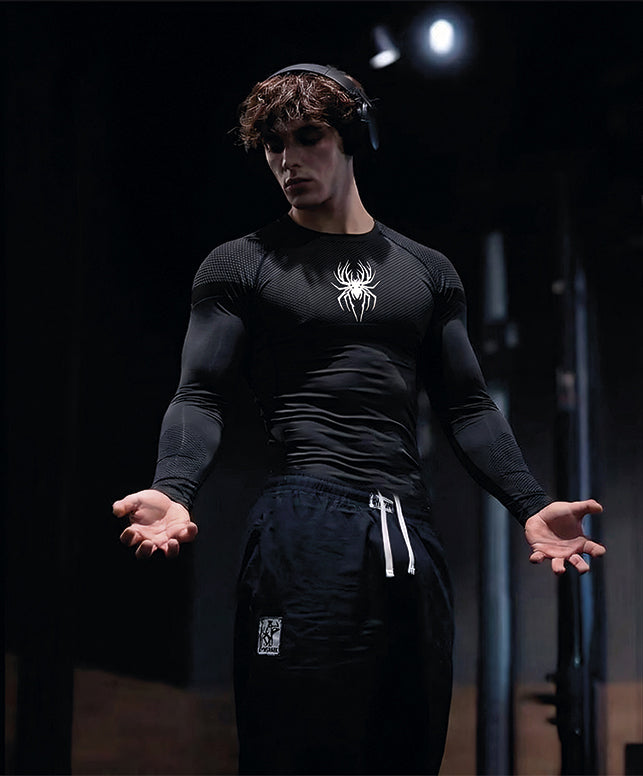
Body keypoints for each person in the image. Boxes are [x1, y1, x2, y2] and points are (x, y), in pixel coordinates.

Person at [113, 64, 606, 775]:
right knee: (292, 748)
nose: (288, 160)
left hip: (406, 531)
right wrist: (175, 486)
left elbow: (467, 404)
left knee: (406, 746)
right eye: (273, 145)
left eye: (307, 137)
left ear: (352, 138)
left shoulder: (426, 271)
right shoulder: (240, 265)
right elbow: (199, 394)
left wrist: (529, 502)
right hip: (301, 529)